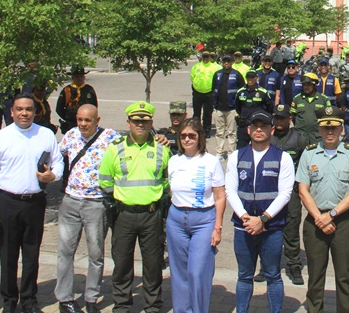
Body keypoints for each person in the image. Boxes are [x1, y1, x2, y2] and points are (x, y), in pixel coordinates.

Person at [0, 94, 63, 313]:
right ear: (12, 112)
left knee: (31, 254)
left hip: (35, 203)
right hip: (7, 202)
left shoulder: (45, 134)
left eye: (28, 109)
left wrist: (53, 176)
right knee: (8, 255)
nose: (24, 113)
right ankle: (9, 301)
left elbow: (58, 162)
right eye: (19, 109)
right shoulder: (0, 138)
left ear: (35, 112)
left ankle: (29, 301)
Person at [98, 101, 170, 313]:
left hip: (151, 215)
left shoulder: (161, 148)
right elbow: (105, 180)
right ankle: (121, 305)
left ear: (151, 123)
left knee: (153, 263)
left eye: (145, 121)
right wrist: (121, 198)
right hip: (124, 214)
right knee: (121, 263)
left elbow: (166, 180)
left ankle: (153, 305)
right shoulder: (115, 148)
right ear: (128, 122)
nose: (141, 124)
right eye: (136, 121)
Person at [296, 106, 349, 313]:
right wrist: (319, 217)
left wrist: (332, 215)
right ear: (319, 128)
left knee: (345, 275)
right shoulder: (309, 153)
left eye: (334, 127)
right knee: (315, 274)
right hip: (314, 221)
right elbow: (302, 189)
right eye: (326, 128)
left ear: (341, 128)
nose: (330, 132)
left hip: (343, 221)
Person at [226, 111, 294, 313]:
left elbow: (285, 193)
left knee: (273, 274)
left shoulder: (283, 158)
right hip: (243, 226)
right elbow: (230, 190)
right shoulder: (236, 156)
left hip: (271, 227)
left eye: (263, 126)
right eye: (254, 125)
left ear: (271, 130)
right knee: (244, 275)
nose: (258, 129)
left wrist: (263, 219)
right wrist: (245, 218)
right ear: (248, 130)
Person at [55, 105, 120, 313]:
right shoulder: (71, 135)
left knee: (95, 253)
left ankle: (91, 298)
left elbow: (132, 146)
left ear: (97, 119)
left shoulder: (110, 137)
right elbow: (55, 155)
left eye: (87, 120)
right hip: (71, 200)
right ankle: (64, 298)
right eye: (80, 119)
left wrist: (160, 139)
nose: (83, 124)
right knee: (65, 251)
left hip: (96, 203)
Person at [167, 118, 225, 313]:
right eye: (183, 136)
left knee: (197, 272)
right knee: (180, 273)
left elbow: (219, 196)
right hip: (176, 219)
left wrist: (218, 227)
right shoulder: (174, 161)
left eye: (192, 135)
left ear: (200, 137)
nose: (187, 139)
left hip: (203, 220)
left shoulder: (211, 161)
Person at [269, 104, 306, 286]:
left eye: (282, 118)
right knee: (269, 229)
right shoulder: (269, 138)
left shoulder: (298, 138)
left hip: (292, 191)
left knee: (291, 228)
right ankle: (267, 266)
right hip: (270, 191)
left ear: (289, 119)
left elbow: (306, 163)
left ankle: (294, 265)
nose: (279, 121)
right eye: (276, 118)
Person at [213, 55, 246, 160]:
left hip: (232, 108)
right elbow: (213, 89)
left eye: (228, 61)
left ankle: (231, 152)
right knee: (219, 132)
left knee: (232, 132)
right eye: (224, 61)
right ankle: (219, 153)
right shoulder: (217, 74)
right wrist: (214, 104)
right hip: (219, 108)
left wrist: (239, 105)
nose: (226, 63)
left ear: (232, 63)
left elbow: (242, 89)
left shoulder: (236, 75)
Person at [234, 70, 274, 149]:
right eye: (248, 77)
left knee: (259, 146)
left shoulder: (263, 92)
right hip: (244, 124)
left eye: (252, 78)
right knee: (241, 148)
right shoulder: (240, 91)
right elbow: (237, 107)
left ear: (256, 78)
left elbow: (270, 108)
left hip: (257, 124)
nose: (250, 80)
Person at [291, 72, 332, 144]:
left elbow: (328, 118)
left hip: (317, 136)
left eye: (309, 85)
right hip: (301, 137)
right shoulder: (297, 99)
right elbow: (293, 116)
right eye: (304, 85)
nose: (306, 87)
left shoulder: (323, 99)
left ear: (314, 85)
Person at [55, 67, 98, 134]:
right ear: (73, 78)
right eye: (77, 76)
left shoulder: (89, 90)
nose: (79, 78)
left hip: (86, 123)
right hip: (71, 124)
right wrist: (68, 117)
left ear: (84, 77)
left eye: (81, 76)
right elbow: (59, 108)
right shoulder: (67, 90)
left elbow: (94, 107)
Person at [191, 52, 220, 134]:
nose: (205, 58)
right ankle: (196, 129)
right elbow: (192, 77)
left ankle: (206, 130)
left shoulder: (216, 67)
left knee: (208, 113)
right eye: (204, 56)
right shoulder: (196, 66)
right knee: (196, 113)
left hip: (210, 93)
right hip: (197, 92)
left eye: (207, 56)